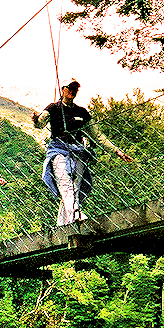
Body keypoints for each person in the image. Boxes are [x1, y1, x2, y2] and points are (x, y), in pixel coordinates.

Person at [31, 79, 133, 226]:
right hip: (58, 151)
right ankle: (76, 215)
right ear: (63, 90)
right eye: (69, 88)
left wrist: (117, 151)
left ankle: (62, 225)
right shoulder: (53, 108)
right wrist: (35, 120)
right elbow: (40, 123)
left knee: (75, 187)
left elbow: (97, 136)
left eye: (75, 89)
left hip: (78, 152)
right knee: (66, 186)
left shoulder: (82, 112)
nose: (72, 91)